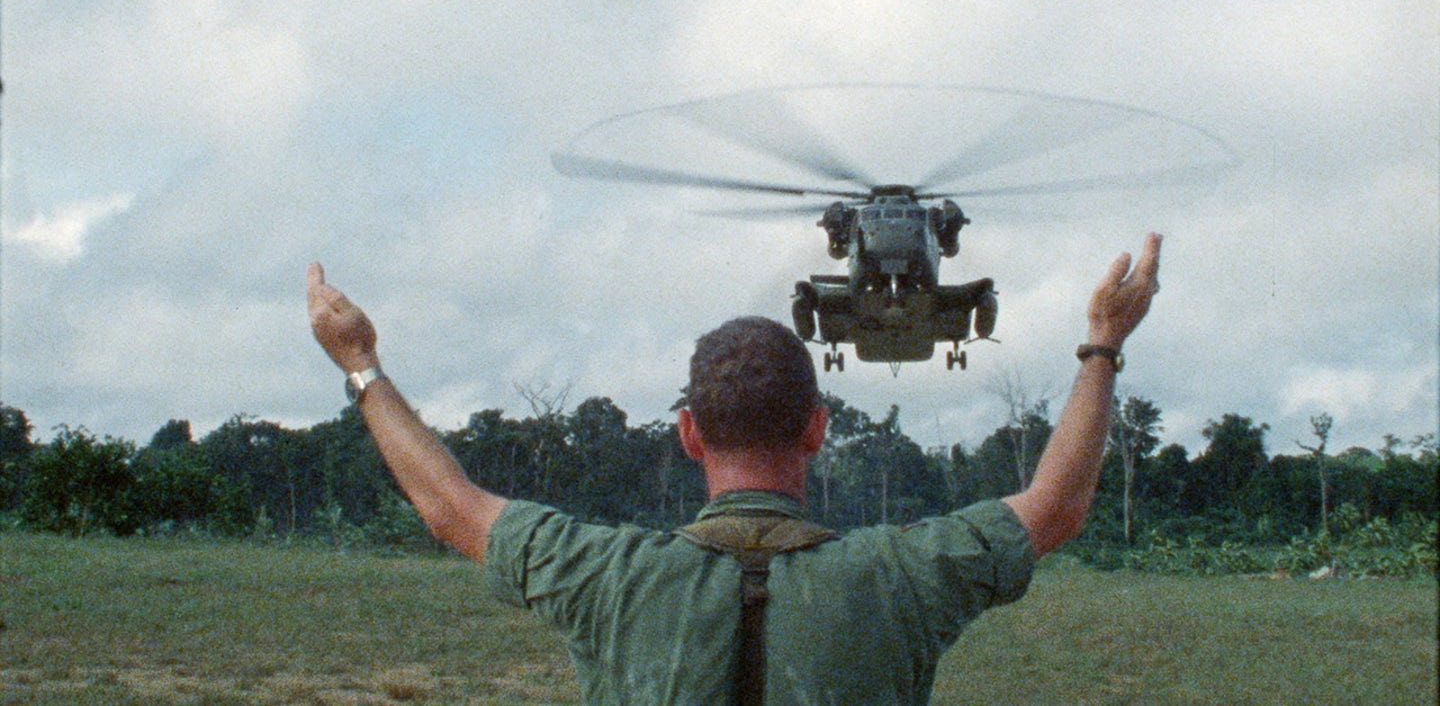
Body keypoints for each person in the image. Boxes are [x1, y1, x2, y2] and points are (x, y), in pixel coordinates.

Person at [307, 233, 1163, 704]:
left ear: (687, 434)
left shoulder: (606, 577)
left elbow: (450, 507)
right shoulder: (900, 576)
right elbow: (1055, 506)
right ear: (818, 430)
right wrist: (1102, 346)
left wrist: (361, 366)